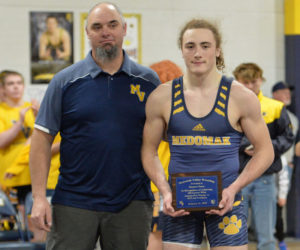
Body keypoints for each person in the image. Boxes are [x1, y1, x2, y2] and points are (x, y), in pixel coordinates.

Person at [29, 2, 160, 250]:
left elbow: (165, 135)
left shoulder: (148, 81)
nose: (105, 32)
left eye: (112, 25)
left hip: (131, 201)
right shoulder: (64, 81)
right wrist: (38, 198)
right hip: (73, 202)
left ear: (123, 29)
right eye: (97, 27)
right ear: (87, 33)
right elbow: (41, 140)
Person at [142, 18, 274, 250]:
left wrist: (234, 189)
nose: (198, 53)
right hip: (179, 204)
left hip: (228, 201)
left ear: (218, 50)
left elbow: (265, 152)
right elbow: (148, 151)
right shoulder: (161, 97)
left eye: (205, 45)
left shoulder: (241, 97)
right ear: (182, 50)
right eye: (190, 46)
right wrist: (164, 191)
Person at [233, 63, 294, 250]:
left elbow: (287, 137)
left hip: (266, 178)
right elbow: (222, 138)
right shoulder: (229, 109)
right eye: (245, 82)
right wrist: (245, 146)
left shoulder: (275, 107)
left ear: (261, 80)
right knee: (234, 234)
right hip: (236, 178)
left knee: (267, 236)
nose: (250, 86)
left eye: (254, 81)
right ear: (237, 82)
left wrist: (264, 148)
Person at [147, 60, 183, 250]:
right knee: (177, 238)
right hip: (178, 182)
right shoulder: (183, 110)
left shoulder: (150, 110)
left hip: (154, 183)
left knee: (154, 236)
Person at [0, 70, 39, 229]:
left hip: (33, 173)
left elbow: (44, 139)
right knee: (11, 224)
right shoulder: (2, 111)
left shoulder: (32, 108)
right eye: (11, 84)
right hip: (10, 176)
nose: (16, 87)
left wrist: (38, 117)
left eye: (19, 83)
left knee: (34, 220)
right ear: (2, 88)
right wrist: (19, 122)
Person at [272, 81, 298, 250]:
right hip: (270, 163)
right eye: (283, 91)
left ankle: (280, 239)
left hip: (286, 165)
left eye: (289, 91)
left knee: (280, 202)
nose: (287, 93)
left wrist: (291, 162)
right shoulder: (270, 111)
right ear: (275, 94)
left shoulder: (294, 118)